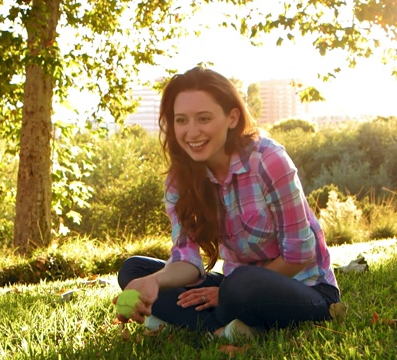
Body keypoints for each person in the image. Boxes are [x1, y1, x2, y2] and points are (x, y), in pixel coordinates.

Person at [115, 66, 340, 340]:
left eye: (204, 118)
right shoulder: (180, 181)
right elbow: (186, 260)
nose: (191, 132)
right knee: (134, 270)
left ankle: (203, 324)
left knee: (240, 284)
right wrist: (154, 282)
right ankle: (233, 328)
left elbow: (299, 253)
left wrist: (222, 293)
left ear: (232, 117)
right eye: (181, 120)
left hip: (307, 289)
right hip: (235, 287)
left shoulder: (268, 160)